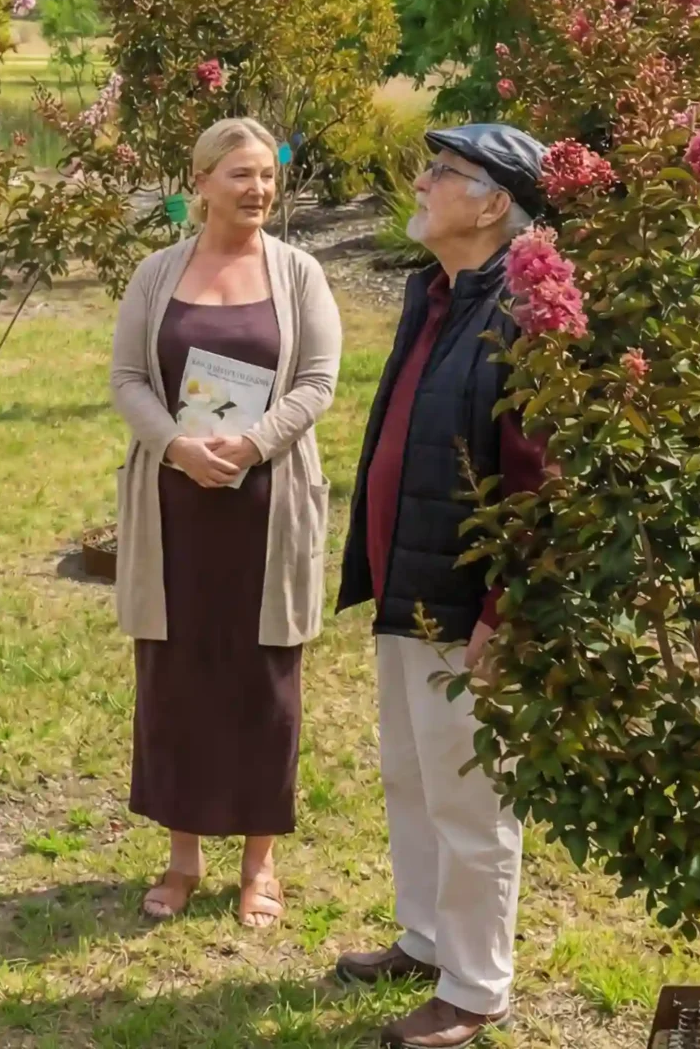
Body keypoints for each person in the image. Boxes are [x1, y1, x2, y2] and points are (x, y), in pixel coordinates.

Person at [331, 124, 550, 1049]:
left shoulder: (528, 312)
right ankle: (426, 938)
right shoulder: (439, 294)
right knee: (412, 778)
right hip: (407, 587)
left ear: (494, 203)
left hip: (469, 608)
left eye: (443, 173)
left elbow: (542, 483)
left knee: (471, 796)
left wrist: (507, 614)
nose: (420, 182)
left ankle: (474, 984)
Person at [109, 117, 342, 931]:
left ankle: (260, 863)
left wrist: (249, 444)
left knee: (263, 683)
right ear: (199, 181)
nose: (258, 190)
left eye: (268, 175)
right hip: (176, 508)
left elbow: (316, 383)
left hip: (265, 506)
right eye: (240, 175)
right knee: (176, 677)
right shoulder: (154, 273)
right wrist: (175, 447)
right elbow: (128, 378)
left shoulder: (300, 273)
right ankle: (182, 859)